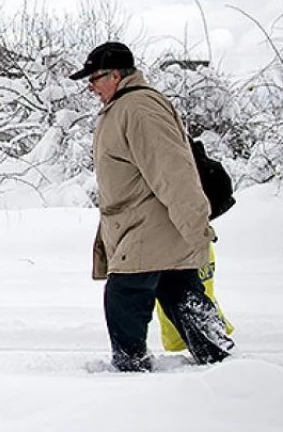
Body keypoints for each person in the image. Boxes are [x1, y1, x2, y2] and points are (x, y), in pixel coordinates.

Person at [71, 41, 234, 372]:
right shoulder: (125, 107)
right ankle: (220, 361)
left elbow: (173, 169)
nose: (91, 87)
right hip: (148, 227)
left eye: (95, 78)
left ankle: (131, 372)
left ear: (116, 75)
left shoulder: (139, 109)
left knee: (124, 297)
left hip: (148, 228)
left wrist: (195, 224)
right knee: (179, 292)